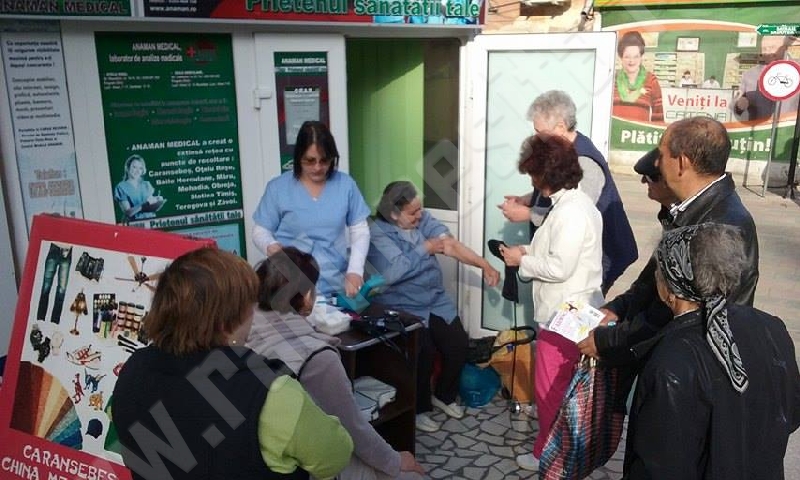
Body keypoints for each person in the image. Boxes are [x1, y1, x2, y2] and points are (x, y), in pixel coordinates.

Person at [112, 248, 353, 480]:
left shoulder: (133, 371)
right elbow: (335, 456)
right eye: (249, 304)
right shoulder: (273, 392)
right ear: (227, 321)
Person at [624, 223, 800, 479]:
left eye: (659, 271)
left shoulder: (671, 360)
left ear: (671, 287)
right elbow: (791, 413)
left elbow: (658, 464)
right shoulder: (771, 328)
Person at [579, 116, 759, 366]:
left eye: (661, 156)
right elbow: (653, 279)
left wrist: (609, 340)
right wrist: (619, 307)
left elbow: (677, 312)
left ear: (682, 163)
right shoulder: (690, 210)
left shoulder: (716, 227)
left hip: (689, 367)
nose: (656, 163)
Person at [247, 247, 425, 480]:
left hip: (255, 450)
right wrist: (395, 460)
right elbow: (353, 428)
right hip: (299, 462)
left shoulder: (241, 326)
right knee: (411, 477)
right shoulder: (318, 359)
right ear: (308, 296)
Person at [496, 135, 603, 472]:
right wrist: (527, 254)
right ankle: (557, 449)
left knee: (551, 392)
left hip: (565, 314)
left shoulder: (572, 212)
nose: (531, 181)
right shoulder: (573, 205)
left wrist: (520, 260)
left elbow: (559, 267)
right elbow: (557, 254)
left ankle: (547, 452)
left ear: (546, 174)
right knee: (561, 389)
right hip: (573, 310)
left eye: (533, 174)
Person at [367, 181, 500, 433]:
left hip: (434, 299)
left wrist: (485, 265)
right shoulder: (377, 233)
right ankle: (418, 409)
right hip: (401, 304)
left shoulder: (421, 219)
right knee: (423, 353)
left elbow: (449, 245)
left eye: (420, 210)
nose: (420, 215)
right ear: (394, 213)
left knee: (457, 344)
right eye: (413, 212)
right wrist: (424, 248)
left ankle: (444, 395)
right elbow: (392, 273)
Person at [501, 90, 637, 294]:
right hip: (567, 258)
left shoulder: (585, 161)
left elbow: (573, 210)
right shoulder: (565, 151)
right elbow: (558, 191)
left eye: (540, 132)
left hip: (595, 259)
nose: (536, 138)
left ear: (561, 127)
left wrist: (528, 214)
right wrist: (528, 199)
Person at [252, 120, 371, 298]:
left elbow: (360, 230)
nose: (317, 167)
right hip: (290, 288)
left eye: (324, 160)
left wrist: (355, 270)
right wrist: (272, 247)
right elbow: (260, 231)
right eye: (310, 161)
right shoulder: (278, 188)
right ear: (298, 157)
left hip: (334, 286)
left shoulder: (345, 185)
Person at [733, 35, 800, 121]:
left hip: (791, 129)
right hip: (761, 130)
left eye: (772, 47)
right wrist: (739, 106)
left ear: (785, 48)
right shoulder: (750, 75)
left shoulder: (798, 69)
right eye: (764, 49)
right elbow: (736, 107)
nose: (768, 52)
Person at [612, 31, 664, 122]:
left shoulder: (651, 81)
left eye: (636, 56)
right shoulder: (612, 80)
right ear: (621, 57)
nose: (631, 61)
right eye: (627, 57)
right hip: (614, 134)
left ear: (641, 57)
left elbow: (658, 116)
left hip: (639, 134)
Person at [114, 154, 166, 222]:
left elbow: (153, 208)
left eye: (140, 168)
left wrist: (157, 201)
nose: (137, 171)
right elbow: (128, 213)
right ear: (127, 168)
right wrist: (145, 204)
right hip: (134, 225)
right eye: (134, 167)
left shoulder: (146, 184)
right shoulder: (121, 187)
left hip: (151, 221)